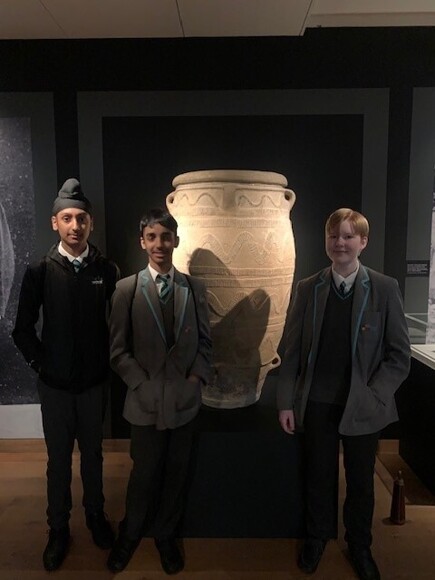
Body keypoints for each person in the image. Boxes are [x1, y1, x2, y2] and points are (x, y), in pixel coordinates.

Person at [277, 208, 411, 580]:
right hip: (317, 403)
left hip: (363, 406)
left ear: (363, 242)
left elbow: (399, 356)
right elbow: (291, 352)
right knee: (318, 477)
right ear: (326, 240)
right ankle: (317, 537)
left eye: (349, 236)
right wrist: (286, 402)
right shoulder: (308, 288)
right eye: (334, 236)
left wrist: (374, 395)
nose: (340, 243)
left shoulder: (385, 288)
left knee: (361, 482)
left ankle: (360, 545)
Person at [12, 178, 120, 571]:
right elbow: (22, 330)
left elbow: (119, 326)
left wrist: (106, 363)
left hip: (93, 385)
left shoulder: (106, 270)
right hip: (55, 388)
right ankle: (58, 528)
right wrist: (42, 366)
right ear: (54, 222)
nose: (76, 226)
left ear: (91, 223)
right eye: (68, 218)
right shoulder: (39, 270)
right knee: (58, 460)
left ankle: (95, 515)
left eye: (82, 219)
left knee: (93, 455)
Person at [107, 208, 212, 575]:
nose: (159, 244)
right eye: (152, 237)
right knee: (144, 472)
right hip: (145, 402)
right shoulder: (126, 290)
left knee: (176, 472)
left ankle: (166, 535)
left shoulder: (194, 289)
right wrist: (141, 383)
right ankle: (130, 532)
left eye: (166, 237)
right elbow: (118, 351)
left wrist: (195, 380)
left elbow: (205, 343)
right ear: (142, 242)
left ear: (176, 241)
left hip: (184, 402)